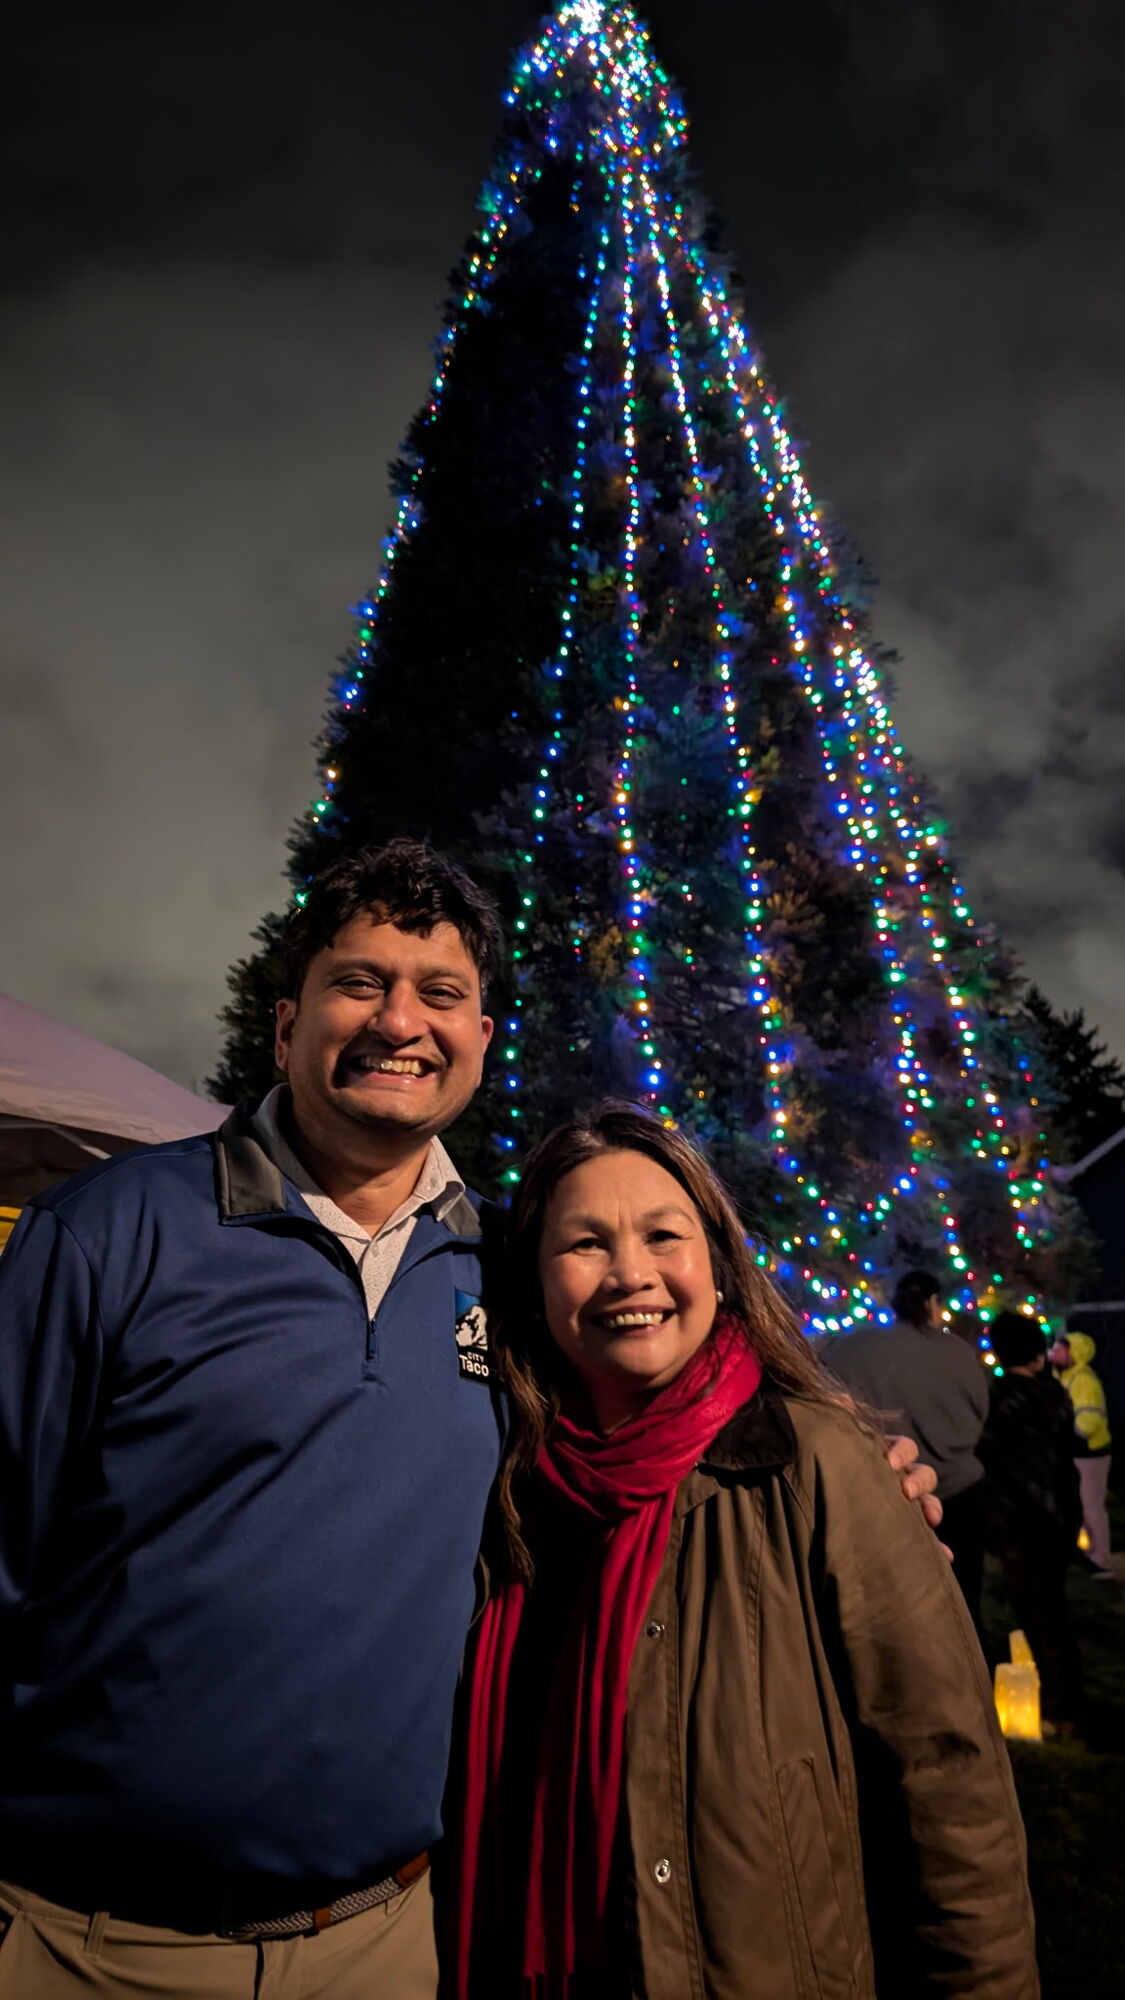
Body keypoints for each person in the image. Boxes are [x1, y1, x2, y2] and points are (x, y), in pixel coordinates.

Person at [0, 841, 940, 2000]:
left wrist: (847, 1485)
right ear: (286, 1022)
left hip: (386, 1940)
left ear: (483, 1039)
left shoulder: (512, 1268)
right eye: (360, 982)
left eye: (441, 992)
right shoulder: (109, 1233)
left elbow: (635, 1436)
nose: (401, 1019)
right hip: (88, 1941)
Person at [444, 1107, 1037, 1999]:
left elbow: (946, 1781)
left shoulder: (818, 1461)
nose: (630, 1273)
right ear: (533, 1282)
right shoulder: (501, 1483)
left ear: (717, 1265)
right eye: (585, 1244)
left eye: (661, 1234)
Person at [821, 1267, 990, 1633]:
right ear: (932, 1303)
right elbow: (980, 1411)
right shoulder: (957, 1352)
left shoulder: (852, 1346)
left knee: (898, 1620)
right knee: (965, 1609)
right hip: (960, 1492)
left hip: (890, 1491)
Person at [980, 1310, 1084, 1737]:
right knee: (1055, 1611)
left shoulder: (995, 1399)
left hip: (1012, 1520)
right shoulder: (1055, 1397)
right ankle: (1065, 1708)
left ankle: (1042, 1703)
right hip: (1053, 1515)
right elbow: (1066, 1461)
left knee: (1027, 1610)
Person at [1048, 1331, 1114, 1578]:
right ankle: (1086, 1553)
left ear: (1075, 1352)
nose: (1055, 1351)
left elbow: (1090, 1419)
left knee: (1091, 1506)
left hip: (1090, 1454)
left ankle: (1101, 1560)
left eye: (1062, 1348)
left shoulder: (1084, 1380)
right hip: (1076, 1453)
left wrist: (1068, 1434)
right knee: (1079, 1506)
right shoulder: (1066, 1376)